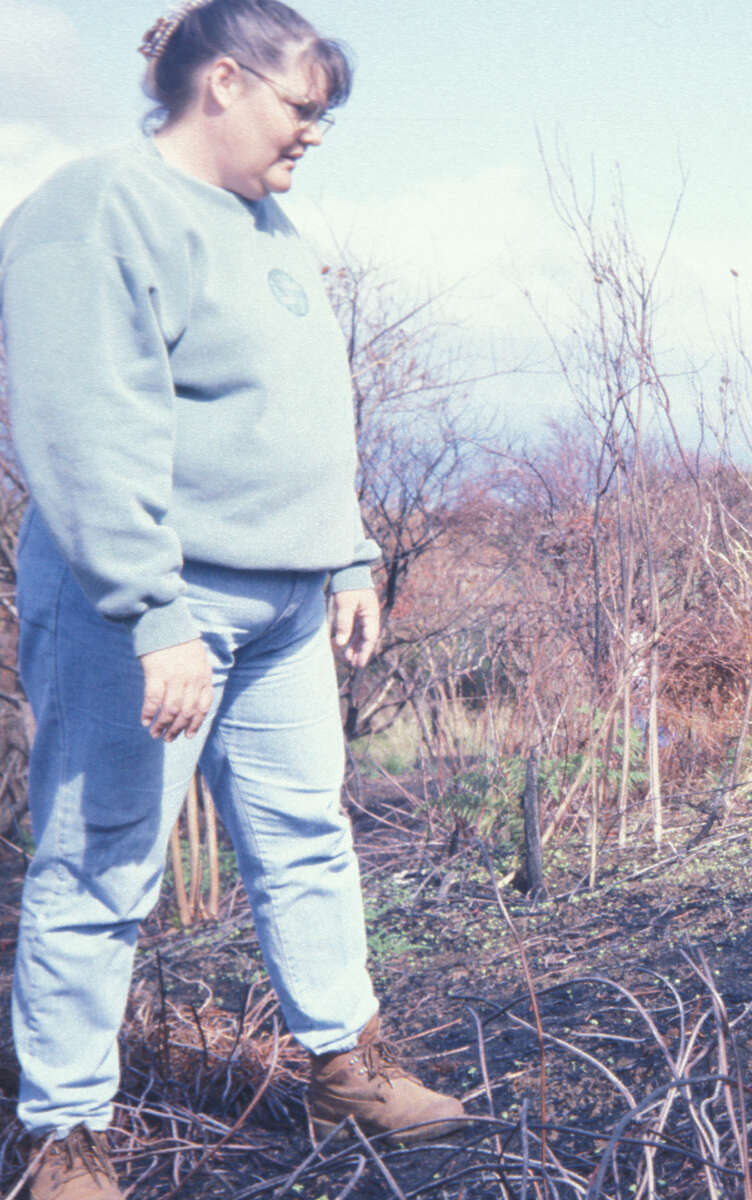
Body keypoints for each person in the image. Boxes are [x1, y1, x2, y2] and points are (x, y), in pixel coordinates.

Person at [0, 3, 465, 1195]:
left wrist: (346, 554)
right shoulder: (94, 210)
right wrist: (152, 613)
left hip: (281, 606)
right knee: (104, 862)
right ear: (222, 82)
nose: (314, 136)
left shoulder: (270, 225)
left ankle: (347, 1069)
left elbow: (302, 409)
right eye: (302, 109)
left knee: (307, 838)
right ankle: (62, 1134)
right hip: (150, 607)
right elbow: (80, 430)